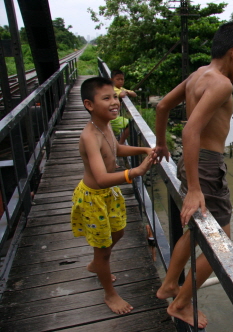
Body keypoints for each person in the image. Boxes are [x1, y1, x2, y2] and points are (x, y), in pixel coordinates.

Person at [154, 22, 233, 328]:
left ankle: (170, 285)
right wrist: (196, 189)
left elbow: (161, 107)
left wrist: (160, 142)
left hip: (192, 161)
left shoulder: (198, 74)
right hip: (207, 166)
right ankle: (181, 304)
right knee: (223, 242)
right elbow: (190, 129)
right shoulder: (222, 84)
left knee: (195, 230)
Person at [71, 76, 156, 315]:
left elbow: (115, 149)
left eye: (115, 97)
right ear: (89, 105)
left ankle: (96, 264)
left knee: (118, 231)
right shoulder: (90, 136)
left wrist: (143, 149)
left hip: (108, 194)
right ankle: (109, 293)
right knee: (105, 247)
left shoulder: (105, 125)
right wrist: (135, 172)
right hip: (94, 197)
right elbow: (100, 177)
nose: (114, 102)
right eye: (106, 98)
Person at [110, 70, 137, 144]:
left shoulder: (120, 88)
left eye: (122, 79)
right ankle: (120, 144)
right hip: (112, 117)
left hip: (113, 115)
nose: (120, 81)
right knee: (130, 124)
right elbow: (121, 95)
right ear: (111, 80)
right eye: (118, 79)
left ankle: (116, 144)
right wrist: (126, 92)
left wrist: (127, 92)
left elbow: (134, 94)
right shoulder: (113, 88)